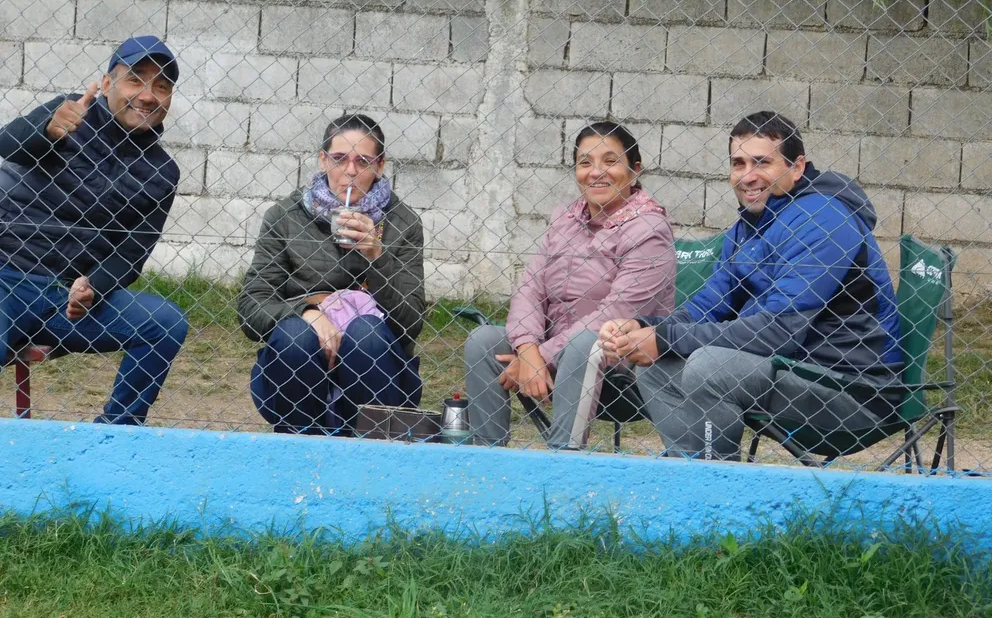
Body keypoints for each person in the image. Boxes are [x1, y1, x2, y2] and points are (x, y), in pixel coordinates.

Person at [598, 111, 902, 460]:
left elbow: (778, 332)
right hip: (794, 370)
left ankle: (721, 480)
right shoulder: (750, 225)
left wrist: (664, 340)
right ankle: (694, 474)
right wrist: (643, 329)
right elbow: (707, 307)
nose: (748, 176)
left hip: (853, 389)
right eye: (738, 164)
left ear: (797, 167)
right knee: (655, 368)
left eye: (762, 162)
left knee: (707, 366)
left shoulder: (826, 218)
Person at [0, 35, 188, 425]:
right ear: (106, 85)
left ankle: (112, 438)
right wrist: (46, 129)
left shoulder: (162, 172)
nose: (149, 96)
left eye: (162, 86)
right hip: (6, 276)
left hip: (66, 300)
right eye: (136, 79)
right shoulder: (71, 113)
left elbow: (131, 255)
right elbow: (8, 145)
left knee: (166, 323)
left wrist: (94, 286)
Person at [465, 121, 676, 447]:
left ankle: (563, 462)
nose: (596, 172)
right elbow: (530, 289)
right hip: (550, 350)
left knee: (586, 344)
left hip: (621, 360)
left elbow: (615, 316)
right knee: (484, 341)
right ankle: (488, 459)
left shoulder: (649, 230)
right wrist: (527, 349)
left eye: (610, 161)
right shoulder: (565, 220)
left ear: (634, 170)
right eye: (585, 162)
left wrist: (540, 357)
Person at [239, 113, 425, 436]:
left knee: (365, 333)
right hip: (300, 368)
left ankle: (371, 452)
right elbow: (252, 305)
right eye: (340, 159)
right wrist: (306, 312)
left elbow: (411, 324)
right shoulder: (284, 217)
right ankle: (299, 445)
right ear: (323, 161)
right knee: (296, 334)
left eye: (363, 161)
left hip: (378, 371)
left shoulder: (403, 223)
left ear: (380, 166)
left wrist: (376, 256)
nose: (350, 171)